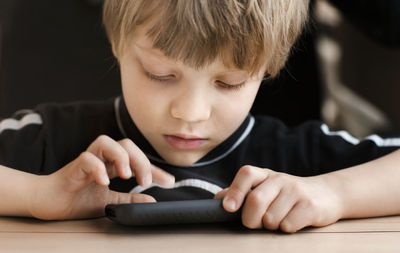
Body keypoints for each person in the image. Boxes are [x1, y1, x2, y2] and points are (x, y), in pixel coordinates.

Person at [1, 0, 400, 233]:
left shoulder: (297, 158)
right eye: (160, 75)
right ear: (118, 46)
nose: (190, 113)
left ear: (267, 70)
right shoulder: (54, 139)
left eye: (228, 83)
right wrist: (37, 196)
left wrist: (336, 194)